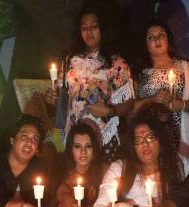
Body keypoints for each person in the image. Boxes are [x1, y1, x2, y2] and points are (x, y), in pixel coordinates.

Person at [45, 5, 134, 161]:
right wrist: (51, 97)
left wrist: (109, 111)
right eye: (84, 27)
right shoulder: (70, 61)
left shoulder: (117, 64)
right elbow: (61, 98)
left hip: (103, 136)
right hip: (72, 134)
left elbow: (130, 104)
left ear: (103, 29)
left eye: (94, 26)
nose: (89, 31)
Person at [133, 19, 189, 158]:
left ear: (168, 39)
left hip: (179, 134)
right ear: (145, 43)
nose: (157, 39)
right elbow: (131, 108)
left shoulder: (185, 67)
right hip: (147, 136)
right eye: (151, 37)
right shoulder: (138, 72)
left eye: (161, 35)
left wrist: (182, 104)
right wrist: (151, 100)